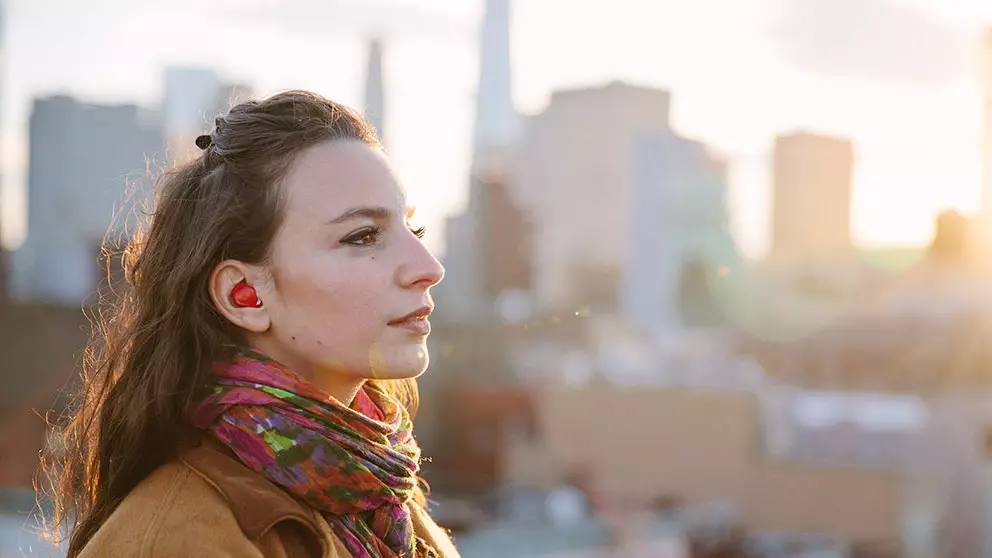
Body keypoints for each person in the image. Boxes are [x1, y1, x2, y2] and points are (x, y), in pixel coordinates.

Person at [40, 90, 459, 557]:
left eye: (413, 230)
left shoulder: (389, 504)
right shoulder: (178, 540)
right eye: (363, 236)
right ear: (245, 295)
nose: (428, 266)